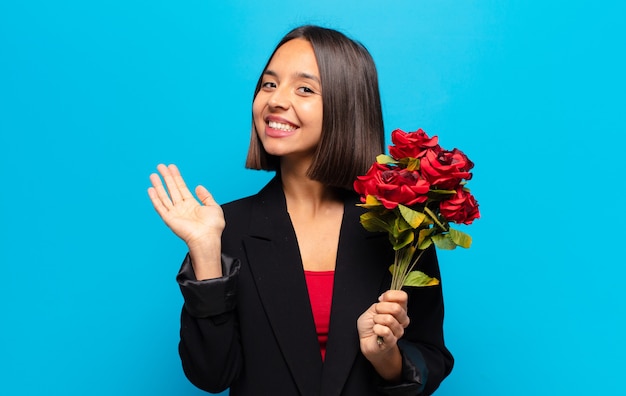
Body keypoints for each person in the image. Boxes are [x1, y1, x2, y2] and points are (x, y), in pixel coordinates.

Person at [148, 25, 453, 395]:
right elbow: (211, 375)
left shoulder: (401, 226)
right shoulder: (225, 228)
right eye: (269, 84)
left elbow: (430, 355)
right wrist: (206, 254)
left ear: (346, 105)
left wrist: (385, 357)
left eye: (305, 88)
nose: (276, 100)